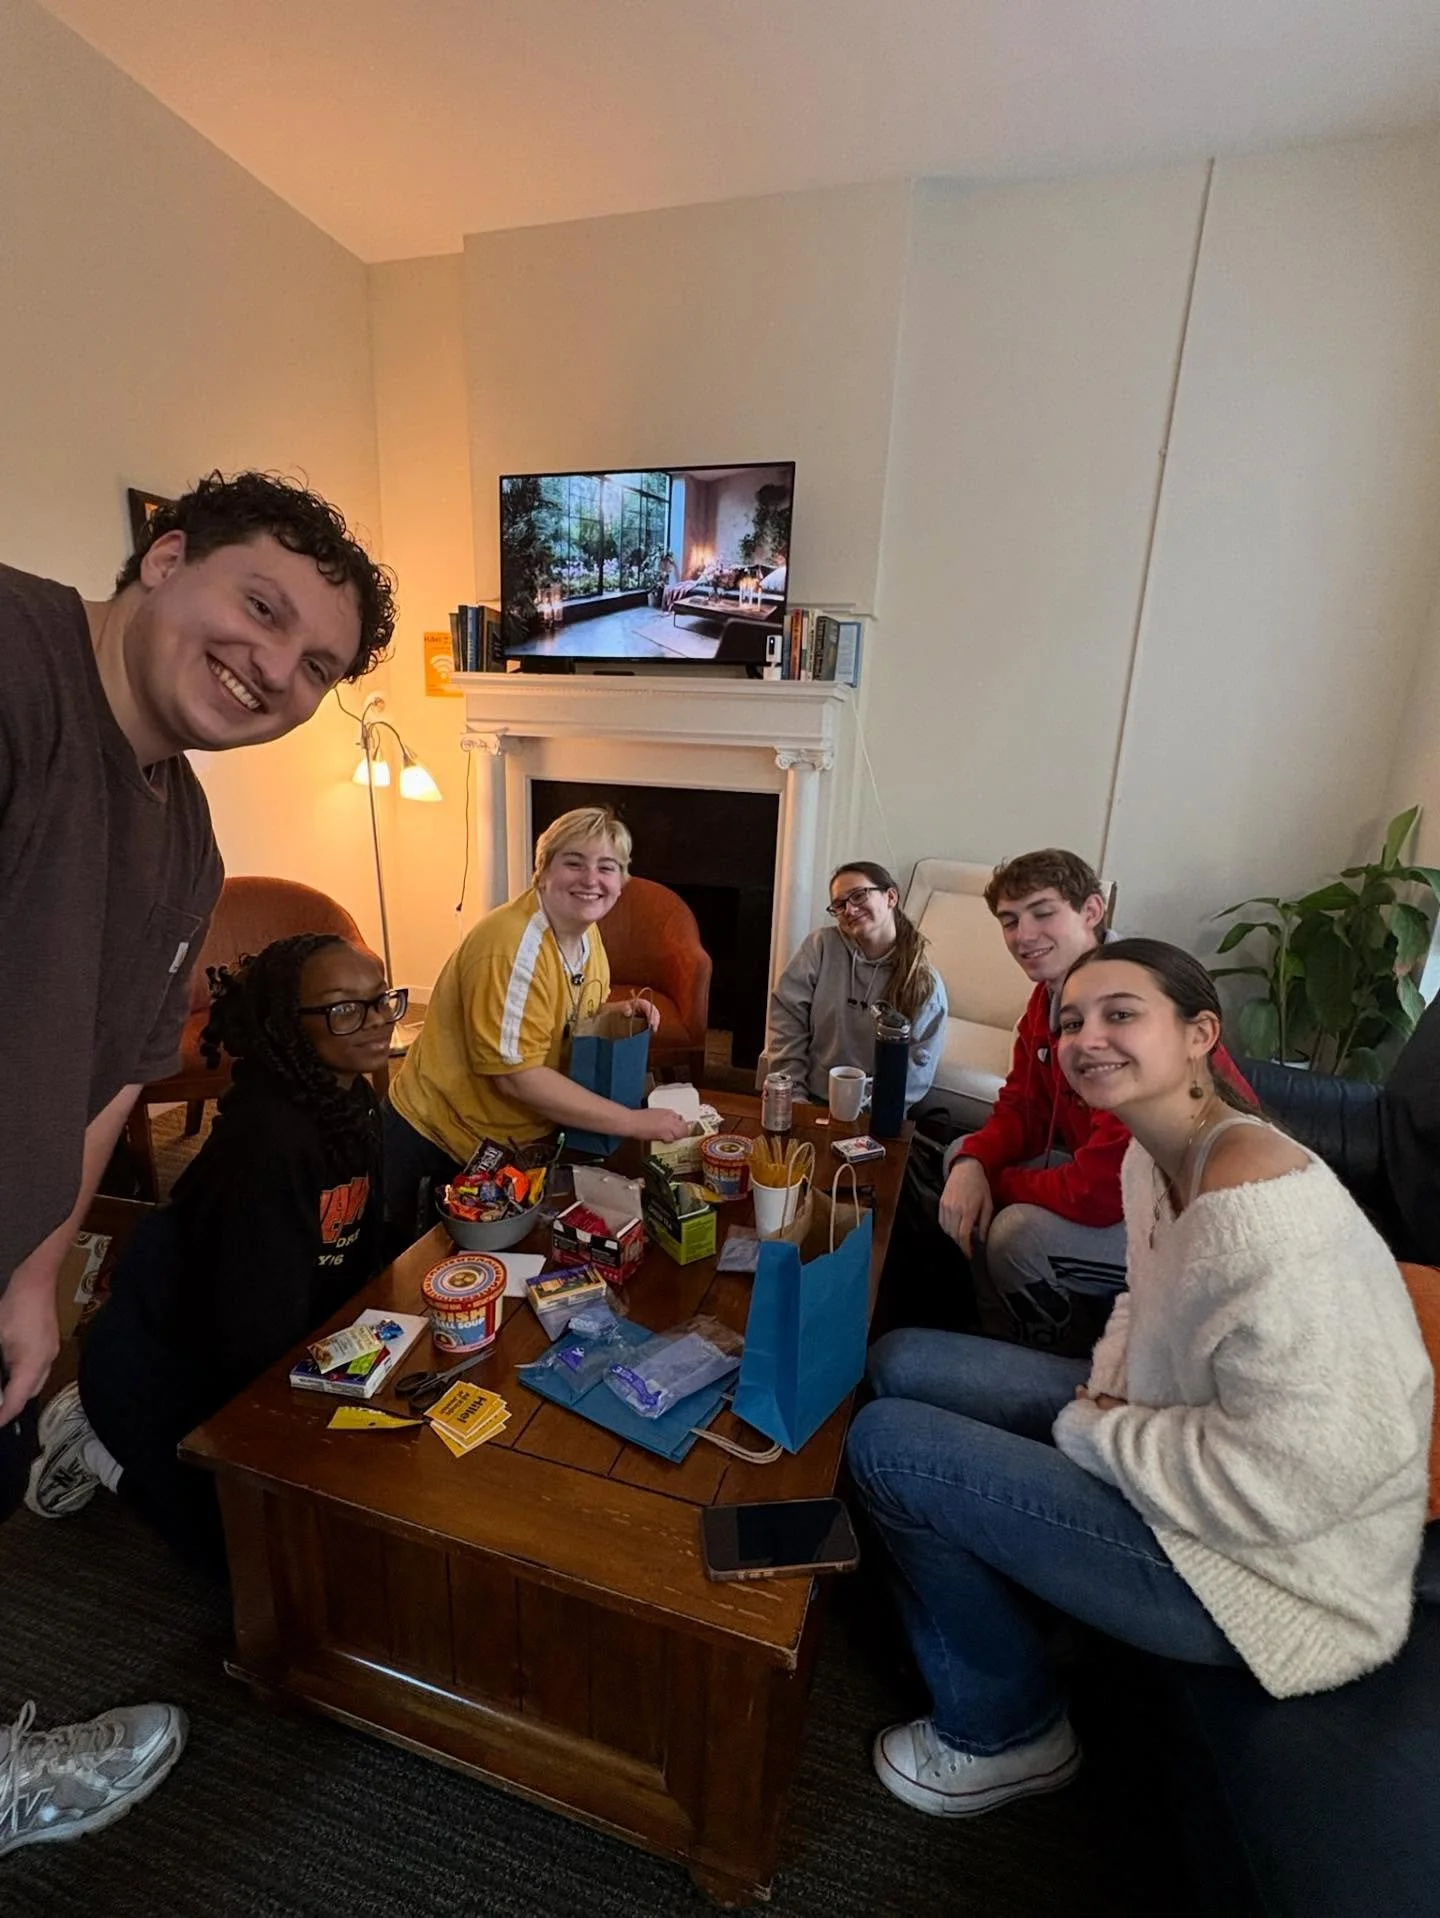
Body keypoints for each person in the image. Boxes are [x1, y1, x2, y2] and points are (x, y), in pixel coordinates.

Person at [0, 472, 393, 1853]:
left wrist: (40, 1270)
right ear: (166, 556)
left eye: (317, 666)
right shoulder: (13, 658)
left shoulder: (185, 834)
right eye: (259, 605)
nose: (273, 668)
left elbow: (108, 1075)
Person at [848, 938, 1433, 1819]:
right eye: (1073, 1021)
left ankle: (1006, 1728)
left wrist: (1103, 1432)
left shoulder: (1261, 1212)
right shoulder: (1156, 1153)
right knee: (901, 1360)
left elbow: (1304, 1477)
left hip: (1269, 1568)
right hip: (1179, 1448)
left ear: (1201, 1033)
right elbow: (1142, 1305)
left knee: (888, 1446)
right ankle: (1024, 1601)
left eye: (1121, 1015)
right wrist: (1109, 1396)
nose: (1088, 1039)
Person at [25, 935, 397, 1559]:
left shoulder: (351, 1100)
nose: (377, 1020)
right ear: (289, 1024)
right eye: (343, 1007)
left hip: (263, 1335)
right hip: (167, 1368)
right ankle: (92, 1443)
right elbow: (250, 1327)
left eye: (379, 999)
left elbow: (353, 1245)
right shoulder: (267, 1145)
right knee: (255, 1561)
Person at [931, 848, 1247, 1350]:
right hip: (1116, 1180)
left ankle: (1054, 1351)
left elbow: (1097, 1195)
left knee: (1016, 1232)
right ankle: (993, 1324)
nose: (1023, 936)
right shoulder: (1051, 996)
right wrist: (974, 1162)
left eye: (1043, 912)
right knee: (959, 1154)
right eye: (1010, 921)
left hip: (1187, 1222)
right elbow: (1022, 1106)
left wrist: (995, 1180)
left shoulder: (1138, 1004)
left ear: (1092, 912)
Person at [383, 806, 690, 1242]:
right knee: (419, 1277)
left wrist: (610, 1014)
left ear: (621, 882)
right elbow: (515, 1077)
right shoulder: (511, 948)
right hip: (439, 1141)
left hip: (510, 1144)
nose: (591, 880)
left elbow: (553, 1018)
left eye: (607, 867)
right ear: (541, 871)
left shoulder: (584, 933)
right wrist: (634, 1122)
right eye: (573, 862)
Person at [762, 861, 947, 1110]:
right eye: (839, 904)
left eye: (859, 895)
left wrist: (868, 1115)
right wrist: (793, 1096)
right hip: (809, 1101)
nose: (849, 909)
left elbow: (915, 1074)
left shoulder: (924, 982)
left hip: (876, 1115)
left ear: (891, 896)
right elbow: (787, 1024)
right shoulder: (820, 947)